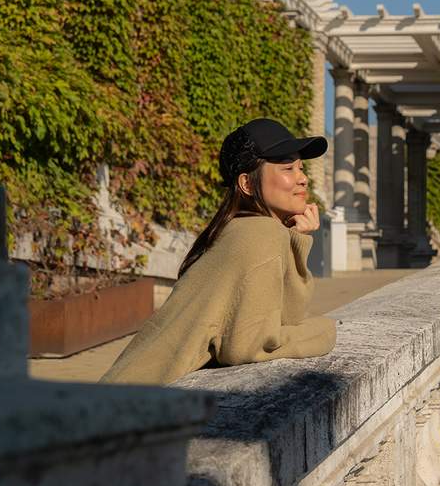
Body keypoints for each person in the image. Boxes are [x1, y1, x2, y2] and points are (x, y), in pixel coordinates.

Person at [101, 118, 337, 385]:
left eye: (301, 168)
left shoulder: (243, 229)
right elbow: (249, 345)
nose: (303, 178)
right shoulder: (259, 234)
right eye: (288, 168)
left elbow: (284, 319)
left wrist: (298, 239)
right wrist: (326, 330)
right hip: (132, 404)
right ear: (247, 184)